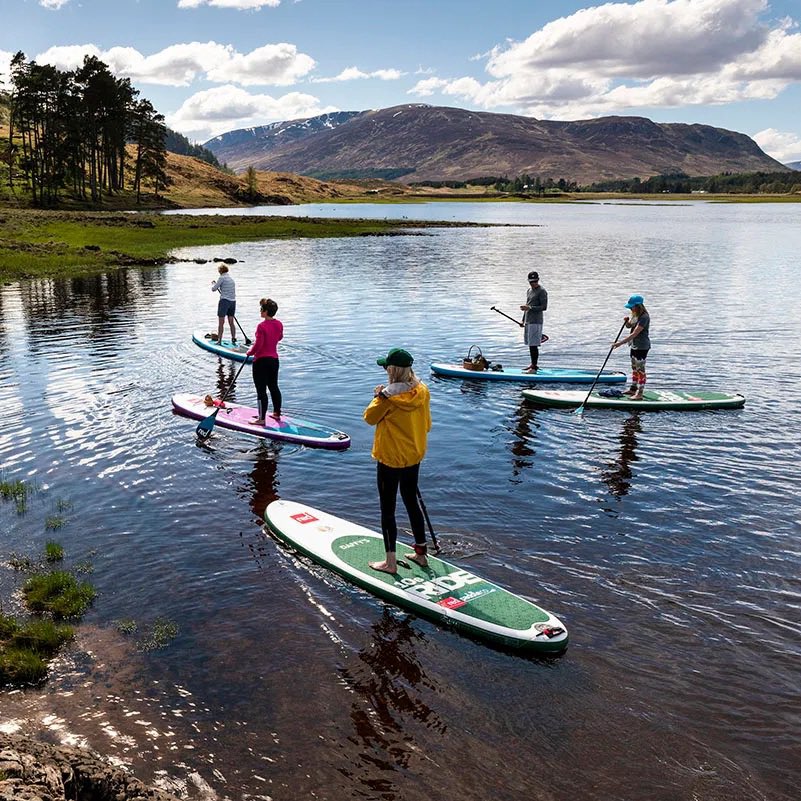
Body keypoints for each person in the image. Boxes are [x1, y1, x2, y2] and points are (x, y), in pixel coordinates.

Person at [363, 348, 432, 576]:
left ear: (392, 371)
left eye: (386, 368)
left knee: (388, 509)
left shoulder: (387, 398)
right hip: (413, 455)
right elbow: (427, 425)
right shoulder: (422, 391)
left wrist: (378, 396)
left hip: (390, 459)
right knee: (411, 501)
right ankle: (421, 553)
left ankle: (390, 563)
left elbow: (369, 418)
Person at [246, 298, 283, 424]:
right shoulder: (279, 324)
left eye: (261, 309)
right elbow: (279, 337)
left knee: (261, 390)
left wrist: (249, 352)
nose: (260, 311)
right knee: (273, 386)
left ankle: (261, 419)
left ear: (266, 312)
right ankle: (277, 413)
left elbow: (258, 345)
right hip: (274, 360)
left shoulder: (261, 326)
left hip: (261, 361)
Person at [612, 294, 651, 400]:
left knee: (640, 370)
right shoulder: (635, 315)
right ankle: (633, 389)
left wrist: (620, 343)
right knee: (634, 368)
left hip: (642, 346)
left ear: (638, 306)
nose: (630, 308)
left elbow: (635, 333)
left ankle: (640, 393)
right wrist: (626, 322)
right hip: (634, 345)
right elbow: (630, 326)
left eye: (631, 307)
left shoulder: (644, 317)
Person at [520, 270, 548, 372]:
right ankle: (532, 364)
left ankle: (534, 366)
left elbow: (544, 307)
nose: (533, 283)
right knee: (530, 344)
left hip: (536, 321)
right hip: (528, 320)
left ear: (538, 280)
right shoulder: (529, 291)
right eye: (531, 282)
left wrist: (530, 308)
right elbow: (527, 305)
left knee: (534, 344)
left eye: (535, 281)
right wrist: (523, 320)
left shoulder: (542, 291)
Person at [211, 264, 237, 346]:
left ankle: (219, 341)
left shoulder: (222, 278)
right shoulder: (231, 279)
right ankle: (233, 338)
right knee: (231, 322)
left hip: (224, 301)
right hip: (233, 302)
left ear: (221, 271)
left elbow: (214, 289)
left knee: (221, 322)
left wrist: (213, 284)